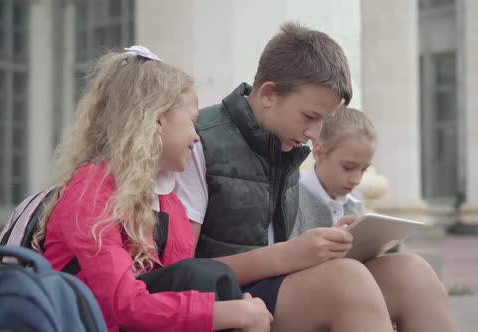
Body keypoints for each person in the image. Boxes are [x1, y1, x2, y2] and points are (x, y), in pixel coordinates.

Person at [176, 23, 458, 331]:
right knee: (346, 282)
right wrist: (290, 254)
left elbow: (276, 248)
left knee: (411, 273)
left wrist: (327, 244)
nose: (315, 134)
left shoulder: (284, 143)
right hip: (225, 300)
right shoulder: (196, 142)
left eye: (324, 120)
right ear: (270, 94)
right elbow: (181, 273)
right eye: (310, 117)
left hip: (275, 288)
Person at [32, 46, 272, 332]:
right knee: (203, 277)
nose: (197, 136)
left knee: (208, 280)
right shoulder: (91, 189)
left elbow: (177, 292)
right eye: (192, 122)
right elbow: (125, 307)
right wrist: (236, 314)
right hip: (79, 324)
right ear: (156, 120)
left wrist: (236, 311)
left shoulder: (169, 202)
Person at [290, 107, 373, 238]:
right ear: (319, 153)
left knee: (408, 259)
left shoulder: (355, 200)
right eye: (348, 167)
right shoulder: (293, 200)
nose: (356, 180)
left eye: (364, 169)